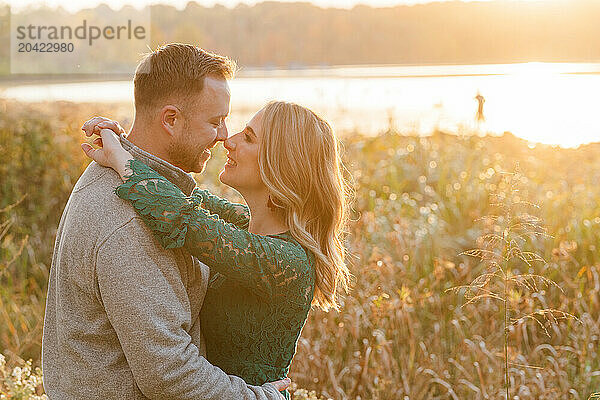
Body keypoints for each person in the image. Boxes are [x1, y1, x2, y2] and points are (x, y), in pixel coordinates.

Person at [42, 43, 289, 400]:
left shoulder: (135, 183)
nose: (224, 136)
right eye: (215, 121)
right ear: (171, 120)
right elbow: (169, 373)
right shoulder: (130, 222)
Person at [80, 100, 351, 400]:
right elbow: (188, 196)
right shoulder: (246, 225)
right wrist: (127, 145)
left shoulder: (288, 262)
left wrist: (122, 159)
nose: (229, 141)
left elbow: (181, 216)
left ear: (279, 165)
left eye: (248, 137)